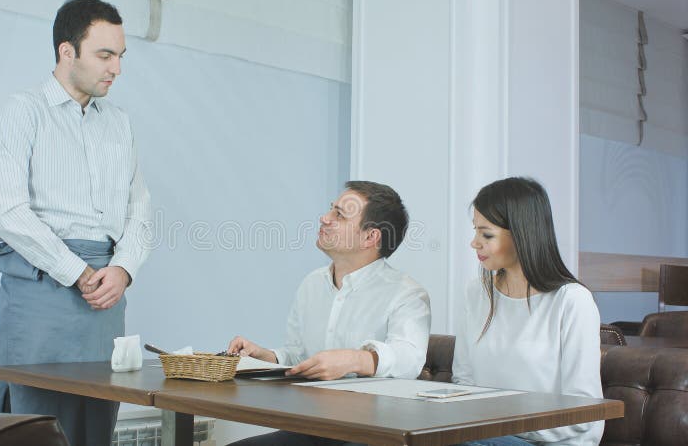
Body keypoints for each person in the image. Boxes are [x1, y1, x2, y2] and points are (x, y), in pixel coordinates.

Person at [0, 0, 154, 445]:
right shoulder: (23, 111)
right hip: (43, 287)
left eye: (120, 56)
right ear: (66, 52)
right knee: (32, 423)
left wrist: (124, 269)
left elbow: (140, 208)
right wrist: (76, 271)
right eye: (105, 55)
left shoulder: (120, 123)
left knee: (98, 418)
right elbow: (8, 210)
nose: (116, 68)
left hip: (106, 294)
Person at [227, 181, 431, 446]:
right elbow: (300, 356)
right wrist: (266, 356)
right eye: (330, 210)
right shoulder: (312, 283)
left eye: (339, 215)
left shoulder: (407, 294)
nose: (325, 219)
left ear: (370, 237)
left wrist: (354, 360)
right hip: (315, 426)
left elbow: (409, 361)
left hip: (376, 433)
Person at [452, 177, 603, 446]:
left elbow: (584, 412)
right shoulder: (476, 292)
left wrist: (500, 427)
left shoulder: (572, 301)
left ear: (522, 234)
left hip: (552, 441)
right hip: (486, 435)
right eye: (475, 231)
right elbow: (464, 380)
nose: (474, 243)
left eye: (486, 234)